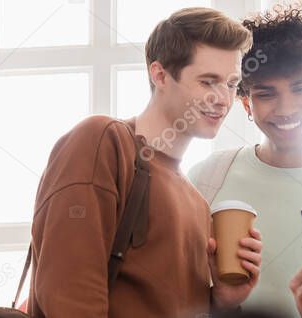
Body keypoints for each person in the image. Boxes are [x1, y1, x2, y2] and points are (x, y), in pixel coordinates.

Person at [27, 7, 264, 318]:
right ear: (160, 74)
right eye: (208, 82)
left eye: (232, 84)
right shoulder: (103, 141)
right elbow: (68, 291)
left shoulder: (196, 203)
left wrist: (219, 301)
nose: (222, 98)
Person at [187, 5, 302, 317]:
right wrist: (219, 301)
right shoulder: (207, 178)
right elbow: (176, 300)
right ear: (246, 103)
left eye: (300, 89)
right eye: (266, 94)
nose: (286, 109)